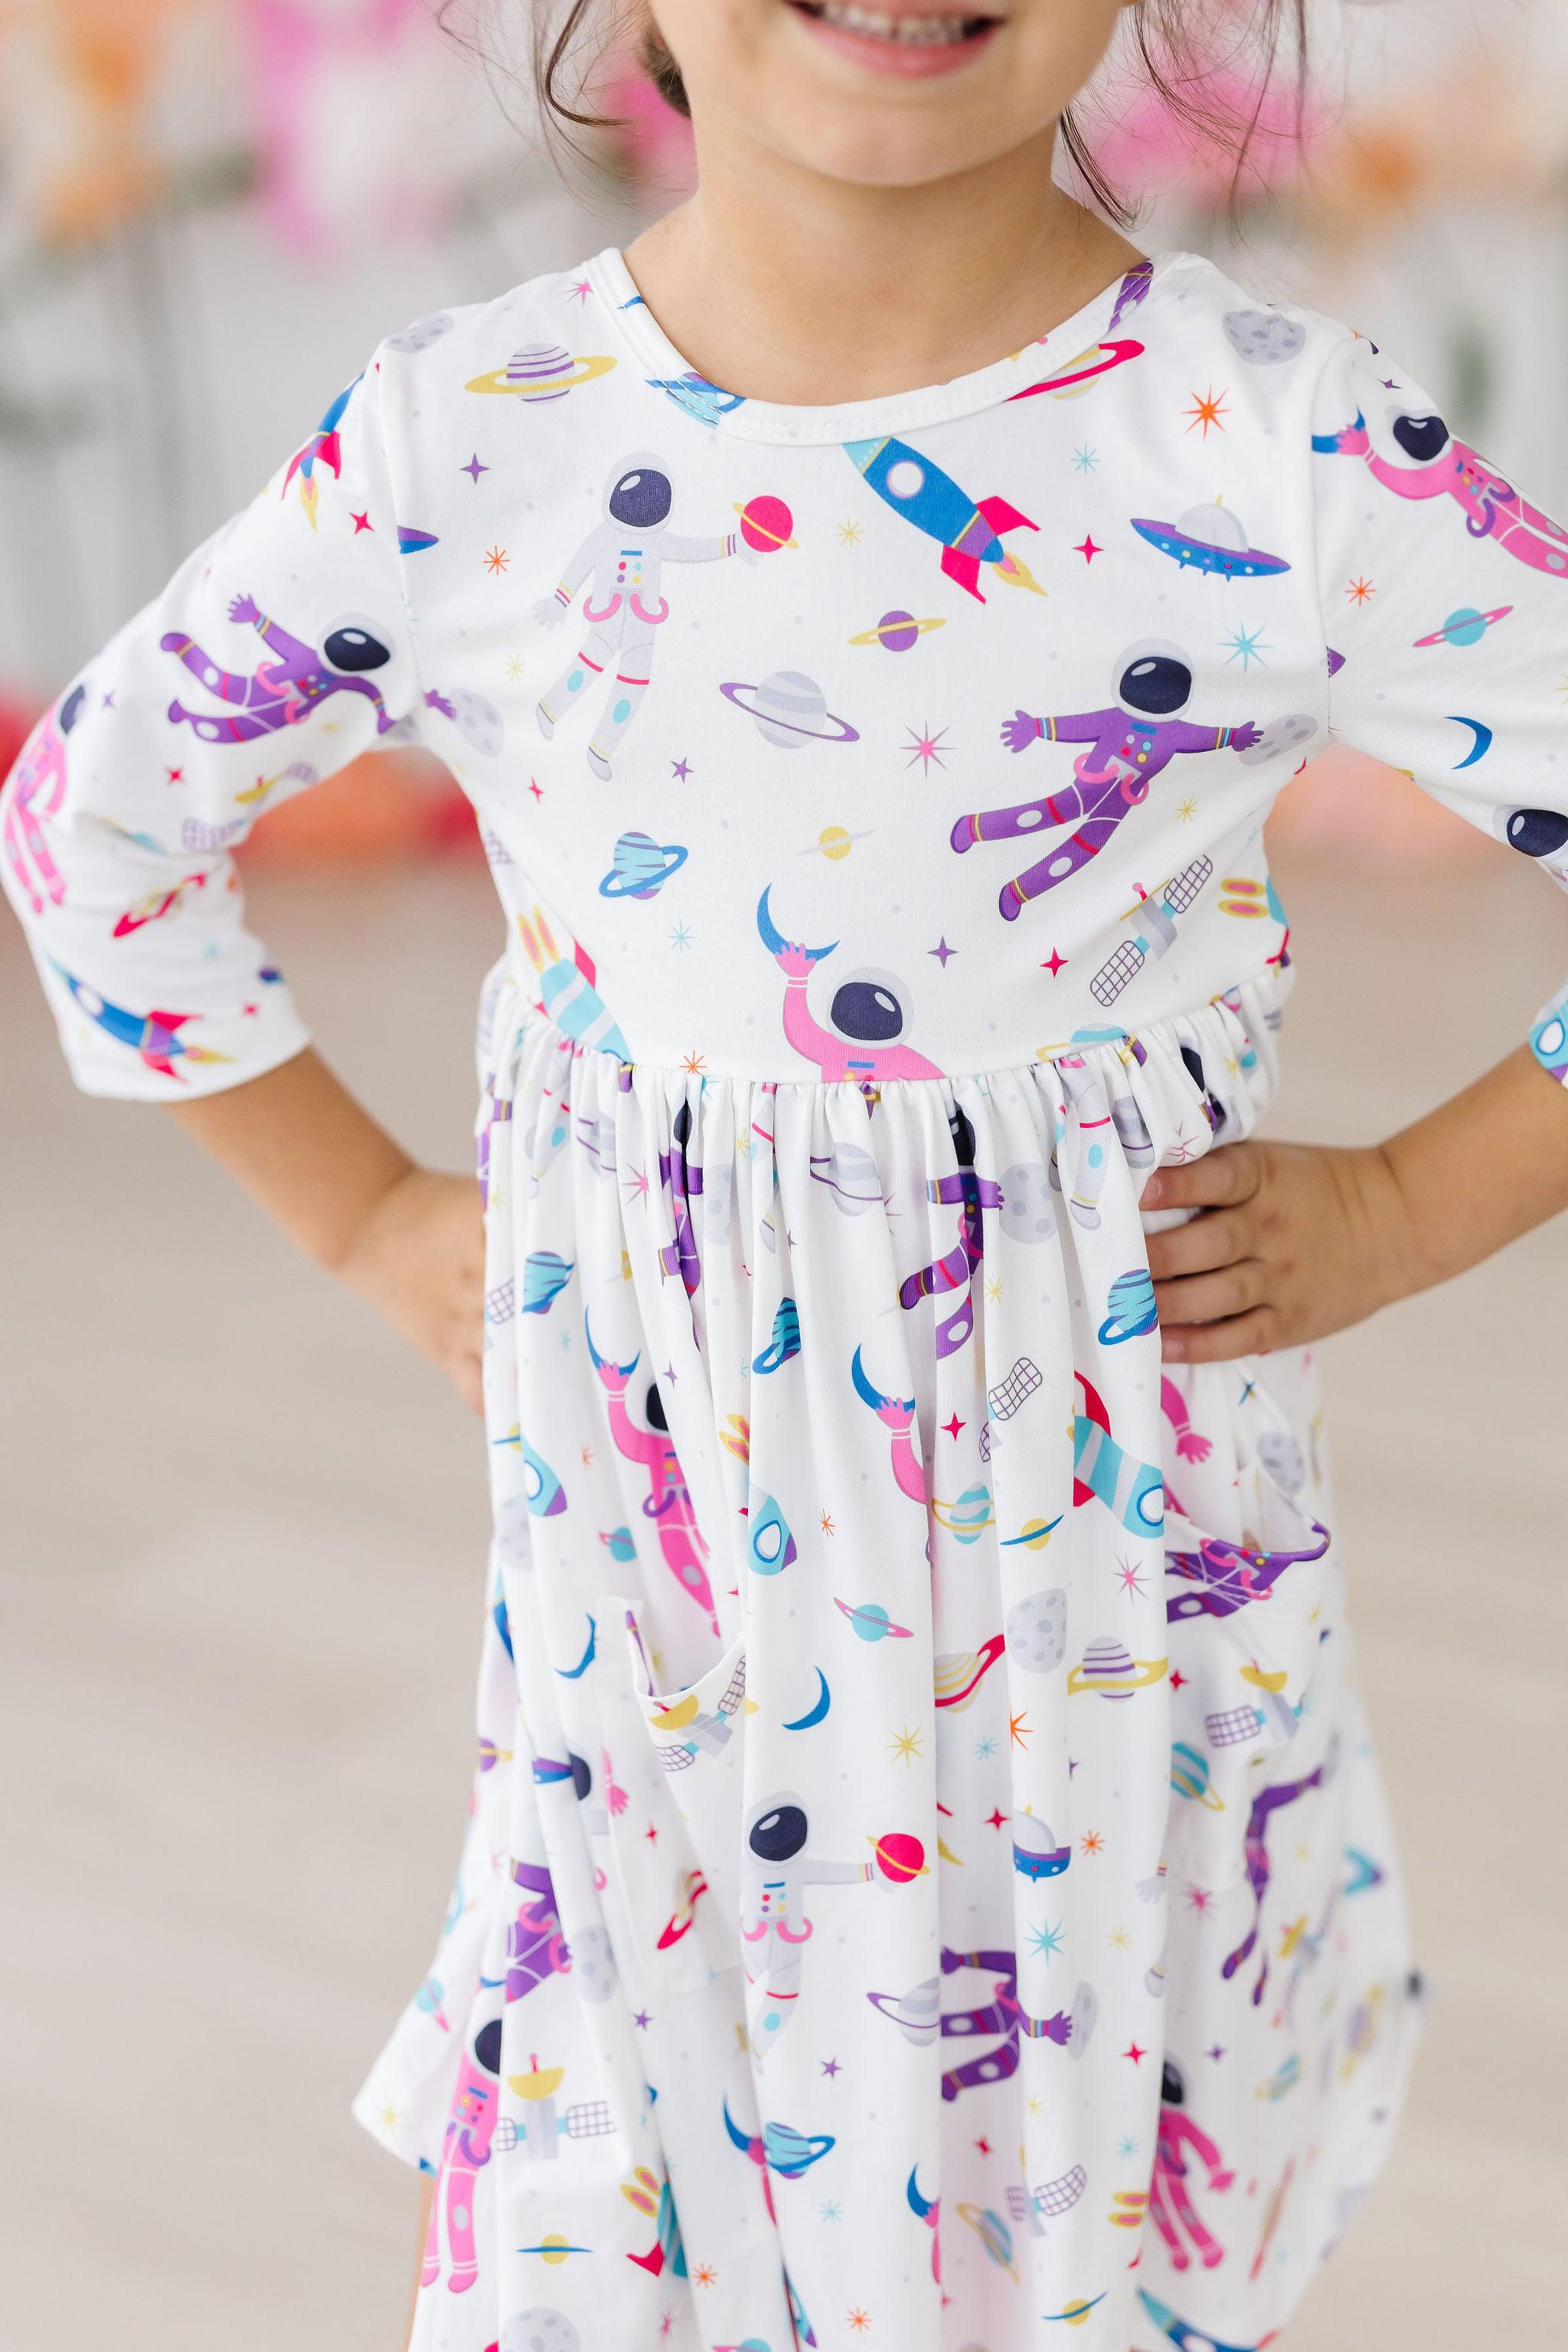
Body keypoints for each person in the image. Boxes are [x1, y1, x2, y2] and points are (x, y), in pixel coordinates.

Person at [5, 2, 1568, 2347]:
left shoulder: (1276, 451)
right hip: (665, 1609)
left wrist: (1421, 1203)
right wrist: (369, 1213)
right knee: (648, 2192)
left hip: (1095, 1612)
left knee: (1054, 2203)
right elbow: (97, 822)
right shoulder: (475, 440)